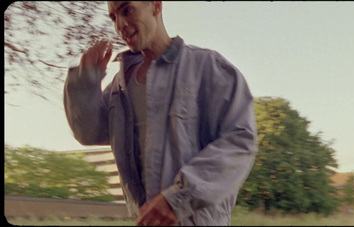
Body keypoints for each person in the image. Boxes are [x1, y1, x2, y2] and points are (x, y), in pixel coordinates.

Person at [64, 1, 257, 226]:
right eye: (113, 17)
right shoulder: (119, 86)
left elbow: (240, 141)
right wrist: (85, 83)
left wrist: (179, 198)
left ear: (156, 6)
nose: (120, 25)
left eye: (127, 10)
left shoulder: (207, 67)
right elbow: (88, 133)